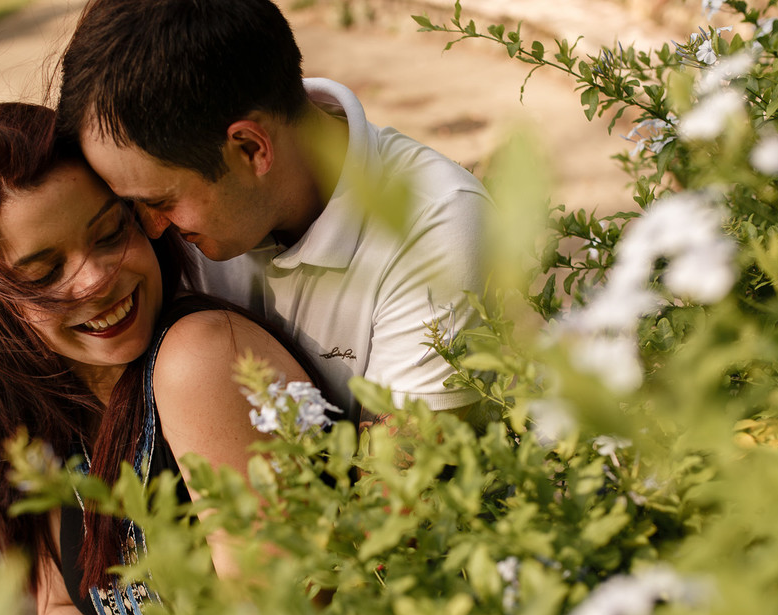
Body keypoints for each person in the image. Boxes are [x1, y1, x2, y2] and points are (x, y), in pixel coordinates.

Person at [0, 101, 333, 615]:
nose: (94, 278)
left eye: (110, 234)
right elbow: (57, 602)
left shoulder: (194, 362)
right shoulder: (53, 410)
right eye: (44, 272)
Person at [55, 0, 491, 426]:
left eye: (160, 201)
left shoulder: (437, 227)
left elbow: (397, 491)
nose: (150, 229)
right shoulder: (205, 193)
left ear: (250, 148)